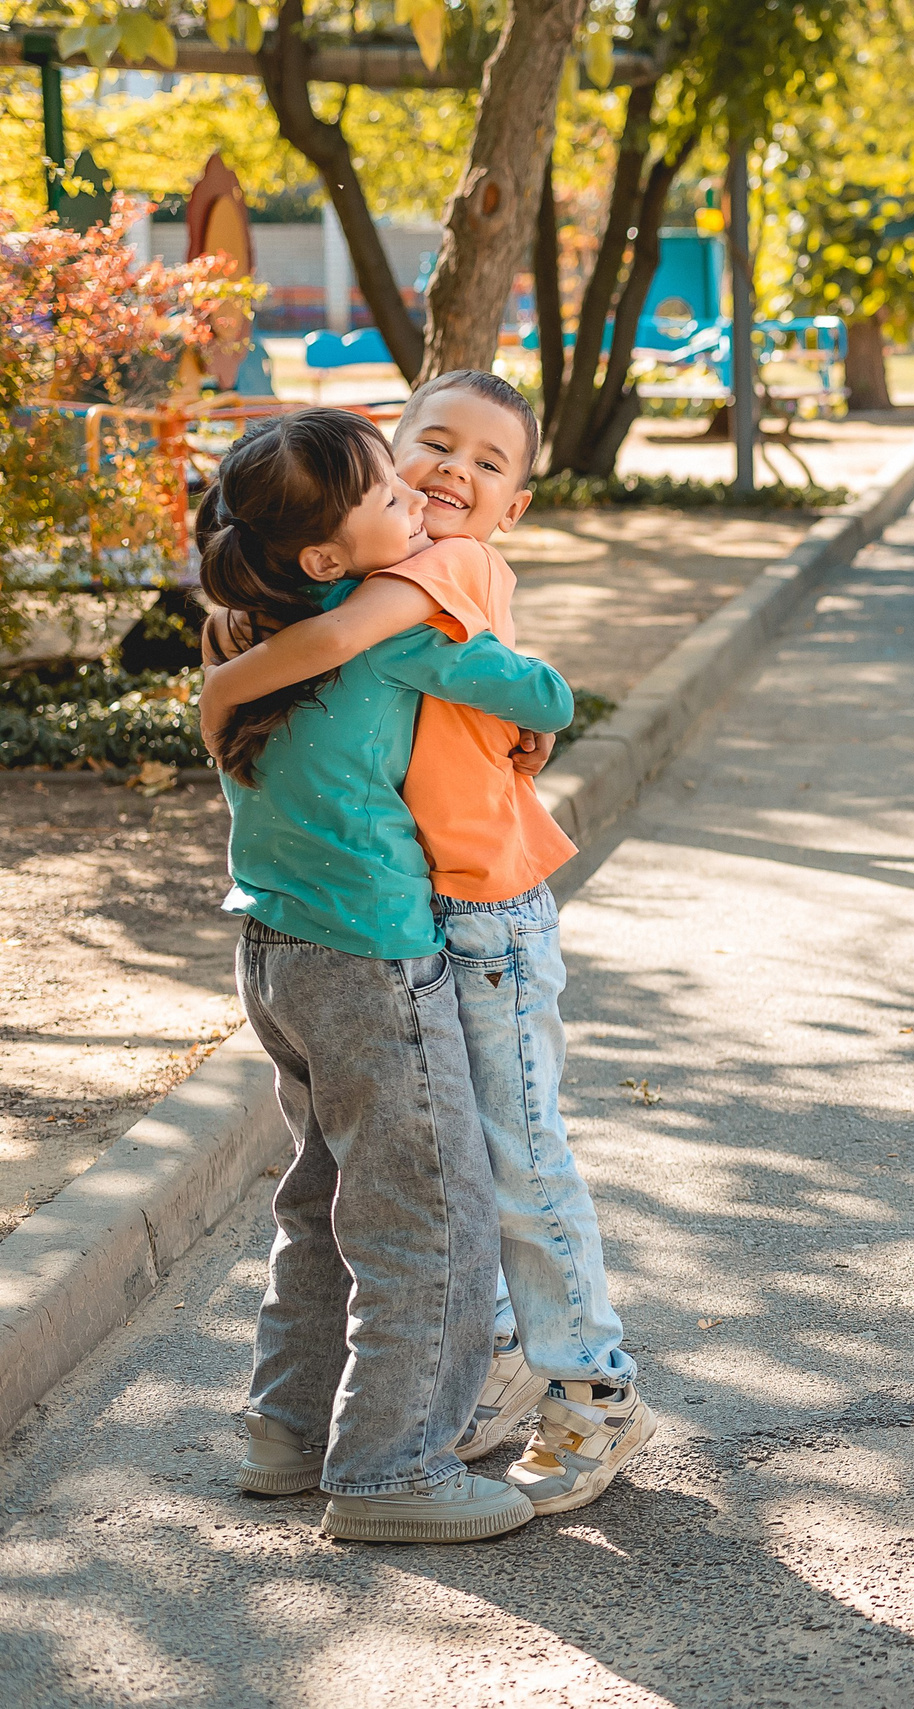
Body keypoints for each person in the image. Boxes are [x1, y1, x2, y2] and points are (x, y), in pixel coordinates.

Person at [200, 372, 652, 1518]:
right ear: (386, 468)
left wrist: (220, 691)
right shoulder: (380, 580)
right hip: (409, 924)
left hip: (463, 915)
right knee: (444, 1182)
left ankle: (574, 1383)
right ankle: (441, 1409)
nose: (450, 473)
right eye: (427, 449)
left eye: (486, 462)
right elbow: (521, 695)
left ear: (516, 503)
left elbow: (534, 691)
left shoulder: (421, 575)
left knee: (488, 1163)